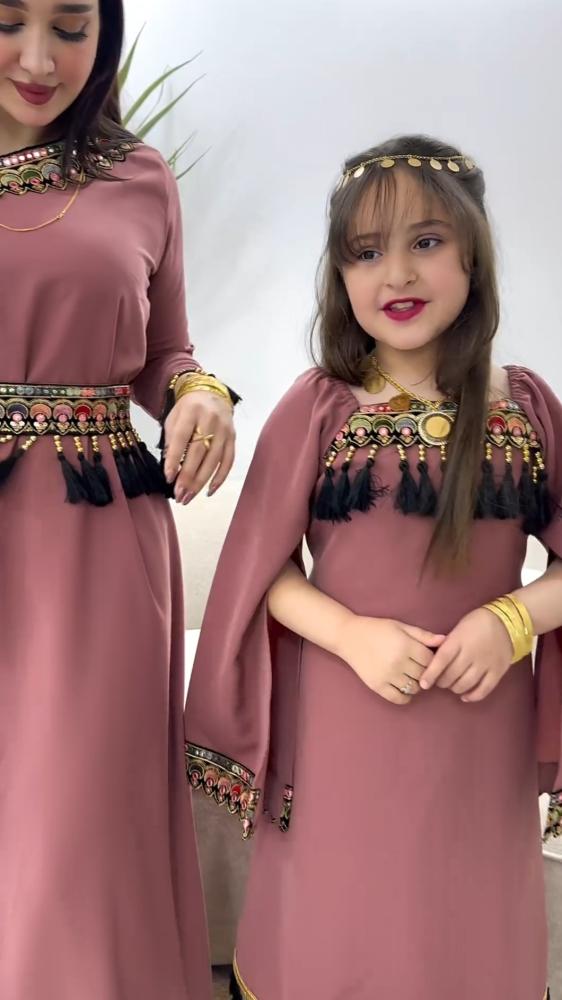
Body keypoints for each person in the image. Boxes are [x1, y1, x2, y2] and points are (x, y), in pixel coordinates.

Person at [185, 134, 562, 1000]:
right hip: (342, 721)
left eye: (426, 241)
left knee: (464, 925)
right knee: (336, 918)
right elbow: (260, 570)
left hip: (482, 732)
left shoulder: (527, 407)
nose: (396, 274)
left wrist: (511, 620)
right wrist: (352, 635)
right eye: (365, 251)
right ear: (340, 273)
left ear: (474, 255)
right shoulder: (318, 407)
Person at [0, 2, 236, 998]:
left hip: (96, 542)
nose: (39, 58)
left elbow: (165, 350)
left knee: (81, 827)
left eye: (71, 27)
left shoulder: (137, 175)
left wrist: (200, 393)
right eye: (9, 20)